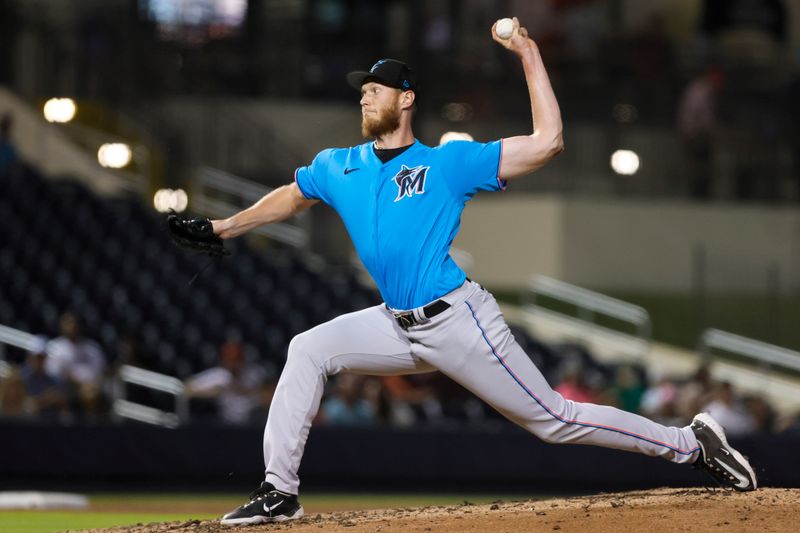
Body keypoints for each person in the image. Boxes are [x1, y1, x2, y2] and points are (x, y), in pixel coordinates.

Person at [213, 18, 757, 525]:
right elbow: (293, 195)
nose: (365, 94)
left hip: (457, 321)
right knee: (308, 348)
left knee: (554, 419)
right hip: (394, 323)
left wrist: (528, 52)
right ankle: (279, 491)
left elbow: (548, 142)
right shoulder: (339, 164)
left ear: (406, 100)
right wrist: (222, 228)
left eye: (376, 88)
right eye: (363, 89)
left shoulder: (445, 164)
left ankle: (691, 443)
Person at [184, 341, 273, 425]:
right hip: (225, 426)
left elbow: (273, 392)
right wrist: (212, 392)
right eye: (229, 360)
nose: (233, 364)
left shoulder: (254, 373)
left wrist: (252, 391)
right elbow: (186, 387)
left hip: (253, 423)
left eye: (236, 360)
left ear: (243, 360)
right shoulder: (219, 376)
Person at [45, 312, 107, 418]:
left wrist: (83, 383)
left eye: (74, 323)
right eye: (68, 323)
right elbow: (53, 372)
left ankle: (93, 421)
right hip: (63, 388)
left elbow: (98, 372)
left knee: (91, 393)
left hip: (89, 388)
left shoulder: (92, 348)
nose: (72, 326)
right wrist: (77, 381)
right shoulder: (55, 347)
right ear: (61, 325)